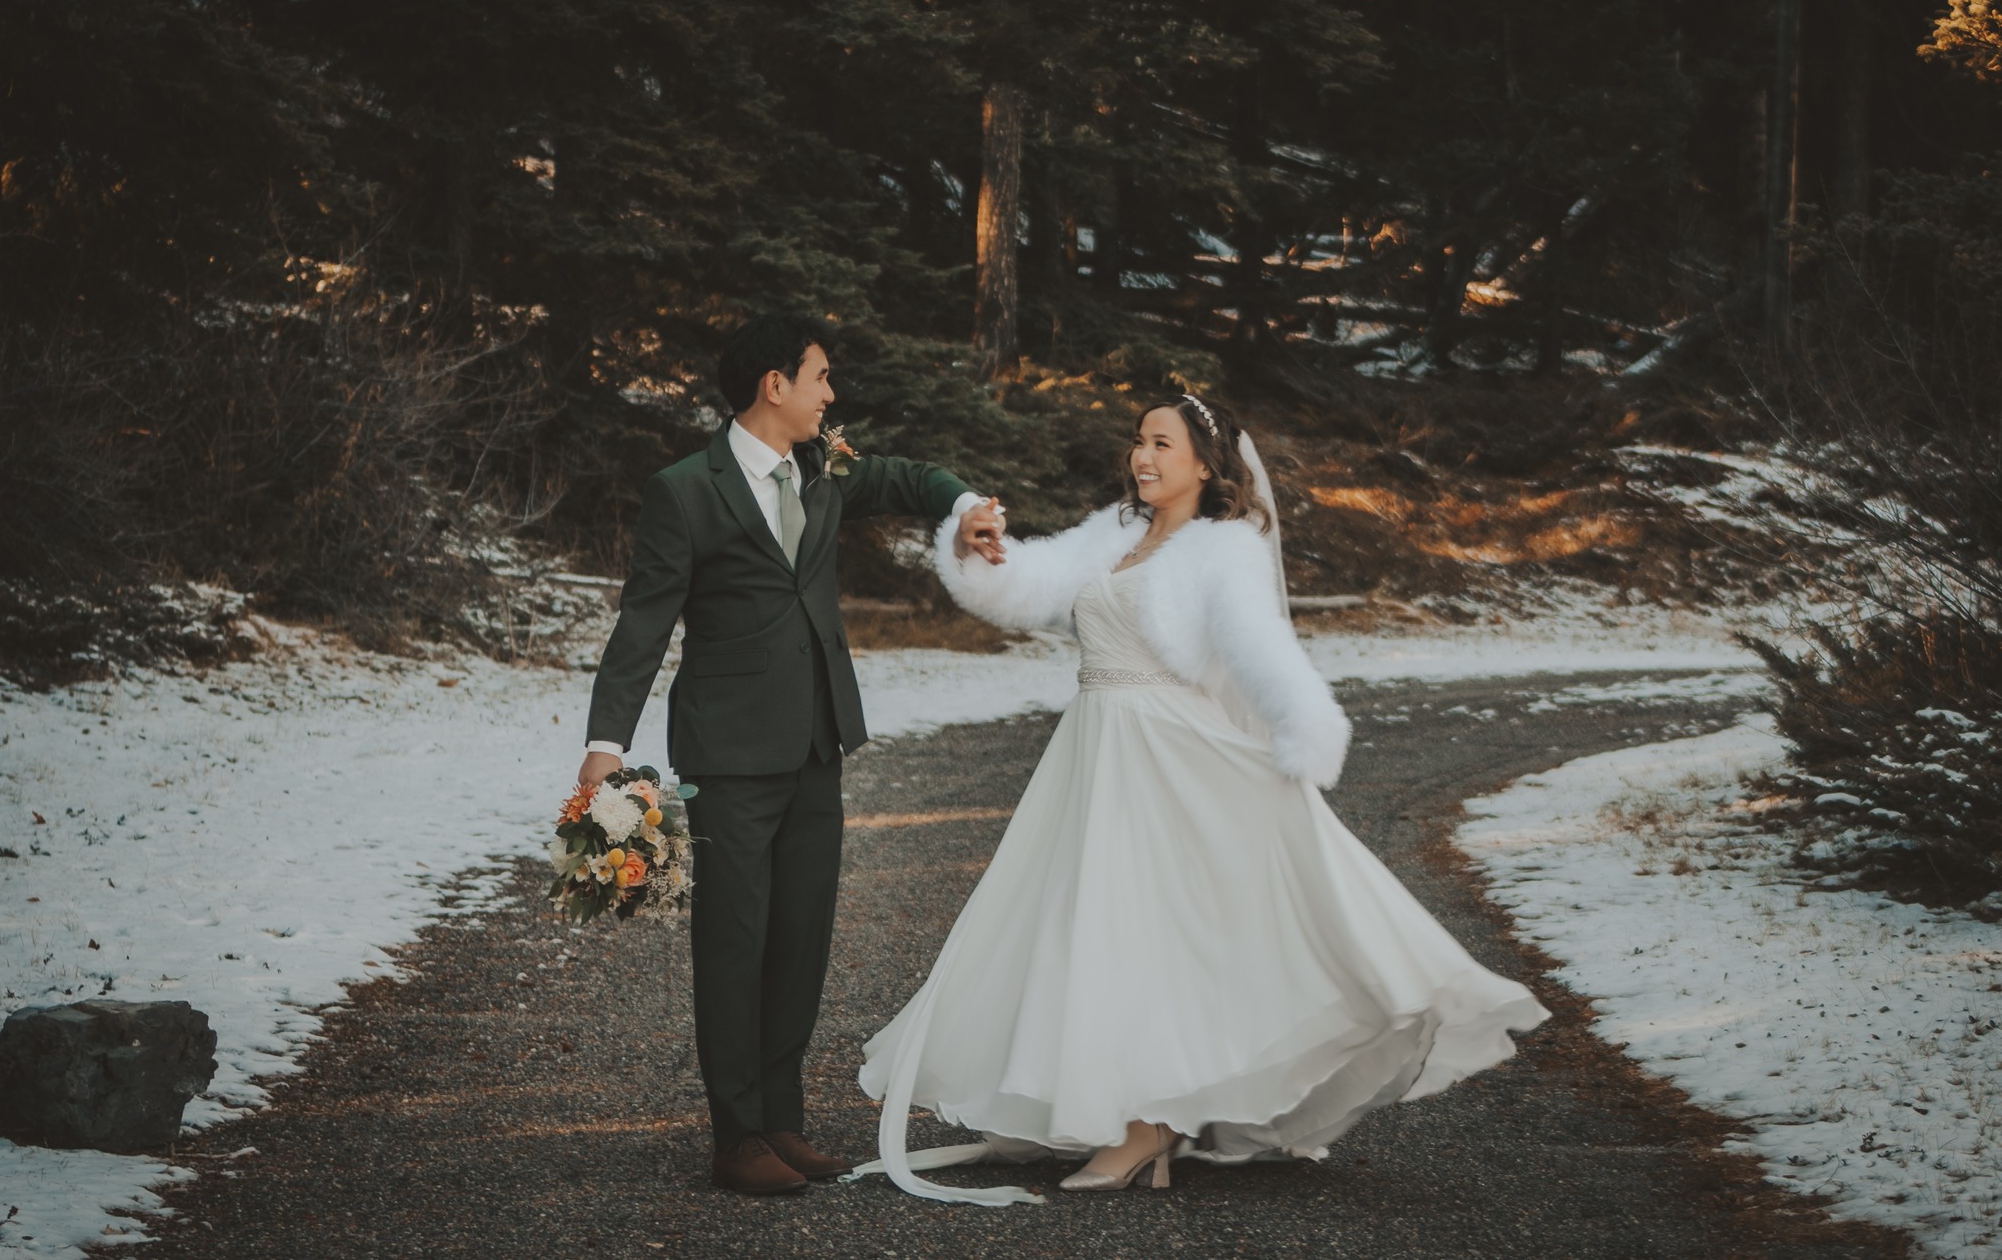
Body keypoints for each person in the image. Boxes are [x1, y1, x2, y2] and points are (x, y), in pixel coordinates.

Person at [847, 394, 1549, 1205]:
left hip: (1166, 749)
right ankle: (1133, 1112)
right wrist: (980, 549)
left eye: (1161, 443)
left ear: (1207, 465)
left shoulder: (1224, 550)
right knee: (1095, 928)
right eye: (1138, 441)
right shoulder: (1112, 534)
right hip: (1094, 745)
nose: (1142, 456)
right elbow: (1027, 587)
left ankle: (1150, 1125)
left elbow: (1262, 650)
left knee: (1158, 929)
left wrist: (1304, 730)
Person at [578, 314, 1006, 1196]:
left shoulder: (825, 465)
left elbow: (912, 476)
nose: (830, 393)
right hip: (729, 753)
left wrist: (965, 509)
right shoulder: (685, 489)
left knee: (801, 938)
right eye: (819, 376)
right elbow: (643, 622)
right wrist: (604, 745)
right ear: (774, 385)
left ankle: (781, 1119)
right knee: (734, 940)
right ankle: (735, 1135)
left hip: (817, 741)